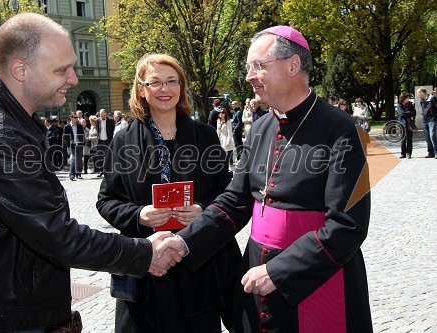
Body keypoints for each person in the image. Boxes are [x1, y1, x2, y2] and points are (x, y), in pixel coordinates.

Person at [0, 13, 181, 333]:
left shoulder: (3, 116)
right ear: (20, 70)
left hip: (1, 306)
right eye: (62, 69)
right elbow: (56, 235)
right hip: (1, 318)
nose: (74, 78)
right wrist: (143, 252)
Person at [158, 25, 373, 332]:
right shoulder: (259, 128)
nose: (249, 76)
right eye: (248, 68)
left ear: (293, 66)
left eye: (258, 66)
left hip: (317, 274)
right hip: (257, 266)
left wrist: (280, 271)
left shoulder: (342, 130)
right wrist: (184, 241)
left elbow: (349, 226)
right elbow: (235, 200)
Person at [96, 53, 241, 333]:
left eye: (172, 81)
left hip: (198, 265)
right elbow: (106, 200)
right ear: (141, 89)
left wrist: (201, 210)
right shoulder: (124, 140)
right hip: (148, 264)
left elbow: (228, 192)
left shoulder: (205, 136)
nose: (165, 89)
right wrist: (139, 214)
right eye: (155, 82)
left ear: (181, 87)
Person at [417, 87, 437, 158]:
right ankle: (431, 153)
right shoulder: (422, 101)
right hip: (425, 121)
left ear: (422, 92)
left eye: (418, 93)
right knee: (427, 137)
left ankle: (436, 152)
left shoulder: (433, 99)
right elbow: (423, 111)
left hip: (432, 120)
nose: (417, 95)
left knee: (432, 135)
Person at [63, 112, 85, 180]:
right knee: (73, 159)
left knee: (80, 160)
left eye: (77, 118)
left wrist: (83, 142)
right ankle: (72, 174)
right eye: (75, 117)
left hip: (79, 144)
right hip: (72, 145)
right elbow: (65, 137)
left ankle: (78, 174)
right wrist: (68, 145)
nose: (76, 119)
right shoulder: (67, 126)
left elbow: (82, 135)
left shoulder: (79, 126)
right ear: (71, 118)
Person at [396, 92, 417, 159]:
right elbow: (402, 113)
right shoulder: (399, 105)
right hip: (402, 123)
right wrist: (409, 113)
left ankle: (409, 153)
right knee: (403, 140)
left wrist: (408, 113)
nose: (408, 99)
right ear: (403, 98)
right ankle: (403, 153)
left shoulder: (410, 104)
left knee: (409, 140)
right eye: (407, 97)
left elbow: (414, 112)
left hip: (409, 124)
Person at [95, 108, 115, 177]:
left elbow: (113, 130)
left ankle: (107, 171)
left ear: (106, 114)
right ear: (99, 115)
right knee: (99, 157)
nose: (103, 116)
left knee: (108, 156)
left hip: (108, 140)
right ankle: (101, 171)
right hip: (100, 141)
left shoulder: (111, 120)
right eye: (101, 115)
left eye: (104, 115)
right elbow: (97, 130)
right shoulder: (97, 121)